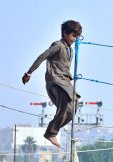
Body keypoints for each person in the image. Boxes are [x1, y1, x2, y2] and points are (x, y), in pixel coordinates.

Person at [22, 20, 82, 148]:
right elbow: (42, 57)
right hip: (55, 81)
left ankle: (52, 131)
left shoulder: (69, 49)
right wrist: (29, 73)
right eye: (73, 35)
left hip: (64, 82)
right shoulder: (58, 45)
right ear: (65, 33)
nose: (74, 39)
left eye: (76, 36)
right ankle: (51, 133)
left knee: (74, 106)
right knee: (66, 105)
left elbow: (63, 65)